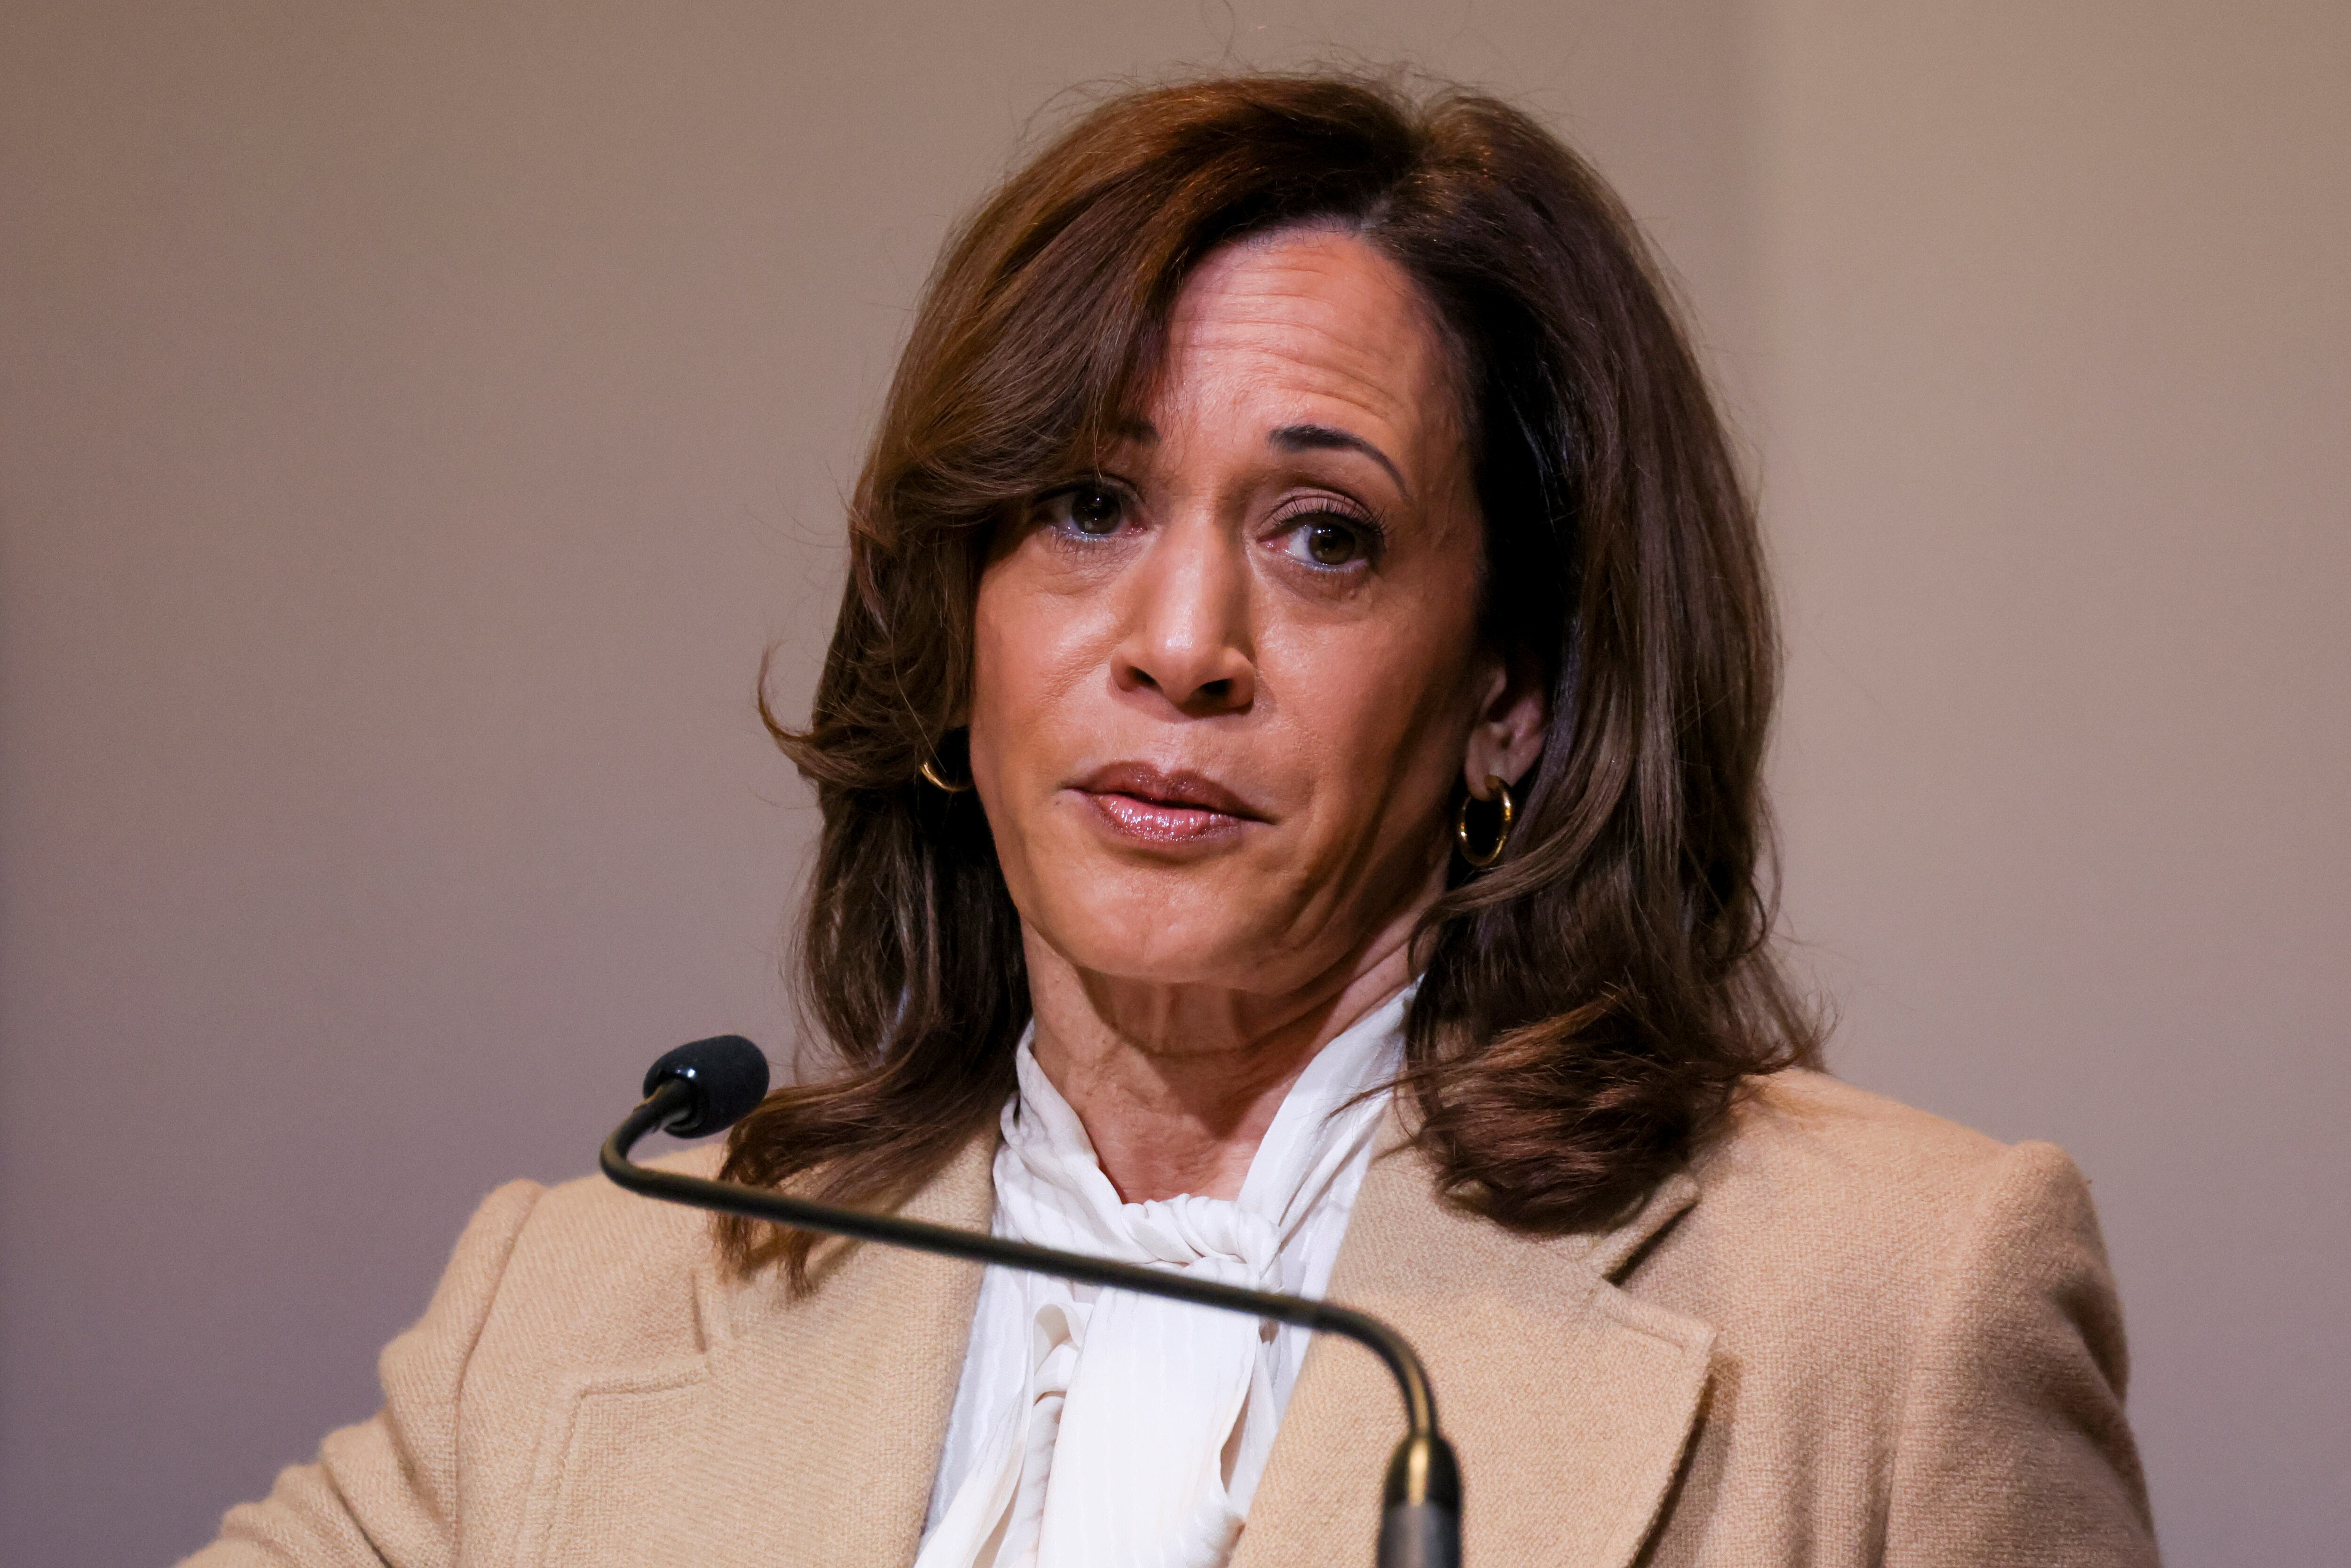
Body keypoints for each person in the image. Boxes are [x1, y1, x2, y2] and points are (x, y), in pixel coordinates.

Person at [186, 73, 2159, 1568]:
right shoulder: (576, 1302)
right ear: (955, 620)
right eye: (1084, 507)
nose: (1181, 646)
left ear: (1510, 692)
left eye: (1321, 537)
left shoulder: (1895, 1312)